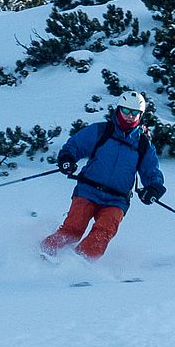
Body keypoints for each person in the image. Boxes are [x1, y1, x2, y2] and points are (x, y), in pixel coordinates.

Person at [40, 91, 165, 260]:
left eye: (134, 113)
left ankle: (80, 265)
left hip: (117, 199)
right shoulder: (102, 131)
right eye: (126, 111)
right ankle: (42, 254)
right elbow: (75, 145)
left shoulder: (143, 145)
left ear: (141, 115)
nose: (129, 117)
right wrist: (67, 159)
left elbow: (152, 171)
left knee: (103, 233)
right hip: (88, 190)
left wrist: (153, 188)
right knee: (73, 229)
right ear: (118, 110)